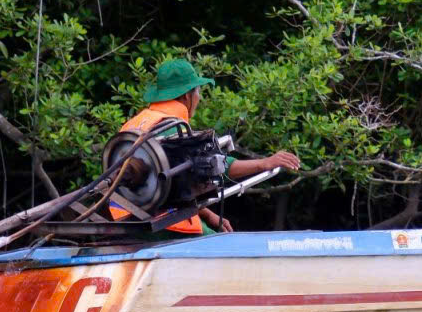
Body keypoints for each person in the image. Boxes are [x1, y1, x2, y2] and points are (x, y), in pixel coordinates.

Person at [108, 59, 301, 234]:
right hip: (160, 224)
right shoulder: (171, 127)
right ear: (186, 96)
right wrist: (266, 163)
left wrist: (208, 214)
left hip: (123, 217)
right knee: (224, 242)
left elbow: (174, 184)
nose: (199, 99)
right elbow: (213, 167)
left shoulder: (136, 123)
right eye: (197, 92)